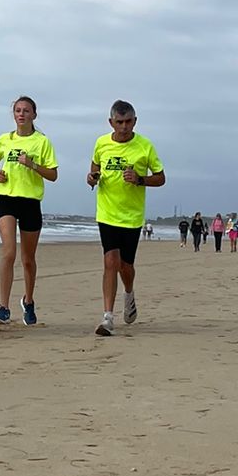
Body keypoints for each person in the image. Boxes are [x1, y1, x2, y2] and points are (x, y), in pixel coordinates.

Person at [87, 101, 165, 336]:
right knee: (110, 261)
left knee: (125, 266)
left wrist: (140, 179)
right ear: (111, 122)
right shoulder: (101, 143)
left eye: (128, 122)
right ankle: (108, 318)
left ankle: (129, 293)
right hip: (107, 213)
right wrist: (92, 178)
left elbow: (160, 178)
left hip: (131, 216)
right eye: (119, 122)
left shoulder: (144, 146)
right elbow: (94, 168)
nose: (123, 127)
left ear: (135, 121)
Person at [0, 96, 58, 325]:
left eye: (26, 111)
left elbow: (53, 174)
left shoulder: (42, 142)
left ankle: (28, 301)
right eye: (18, 110)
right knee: (9, 252)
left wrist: (32, 165)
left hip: (30, 202)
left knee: (28, 259)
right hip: (6, 199)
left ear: (34, 115)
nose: (21, 114)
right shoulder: (5, 139)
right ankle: (3, 308)